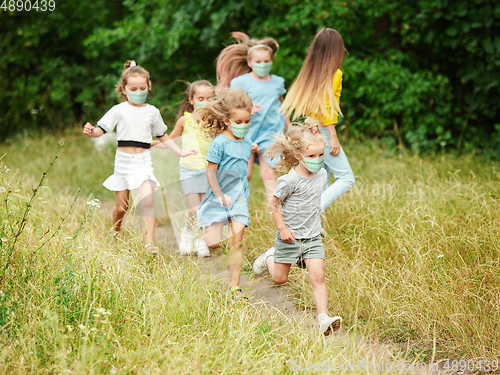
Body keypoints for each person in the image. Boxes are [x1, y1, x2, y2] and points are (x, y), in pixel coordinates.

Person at [83, 60, 197, 253]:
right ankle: (116, 230)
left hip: (143, 162)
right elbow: (100, 130)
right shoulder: (118, 110)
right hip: (123, 163)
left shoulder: (152, 112)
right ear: (124, 89)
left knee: (148, 200)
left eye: (142, 88)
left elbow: (163, 136)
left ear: (148, 87)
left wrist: (179, 152)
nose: (138, 91)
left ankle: (149, 243)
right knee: (122, 207)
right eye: (133, 88)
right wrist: (91, 131)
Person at [253, 120, 342, 335]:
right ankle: (269, 258)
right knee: (279, 279)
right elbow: (274, 204)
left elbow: (312, 203)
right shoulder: (288, 181)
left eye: (321, 155)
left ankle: (323, 318)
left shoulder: (322, 175)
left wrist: (314, 225)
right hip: (289, 238)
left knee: (318, 277)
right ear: (299, 156)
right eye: (312, 156)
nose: (318, 160)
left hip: (312, 238)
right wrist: (282, 229)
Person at [280, 28, 355, 213]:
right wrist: (333, 135)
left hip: (313, 128)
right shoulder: (334, 74)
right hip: (324, 131)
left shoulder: (312, 72)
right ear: (337, 49)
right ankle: (314, 210)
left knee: (323, 178)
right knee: (346, 178)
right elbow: (327, 107)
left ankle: (313, 226)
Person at [216, 32, 290, 207]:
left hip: (271, 135)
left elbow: (282, 106)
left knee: (271, 175)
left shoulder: (278, 82)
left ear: (272, 62)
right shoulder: (239, 82)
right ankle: (231, 208)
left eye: (266, 61)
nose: (262, 65)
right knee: (245, 174)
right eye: (258, 62)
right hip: (245, 135)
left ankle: (275, 217)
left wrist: (290, 127)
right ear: (249, 63)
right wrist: (247, 108)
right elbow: (230, 107)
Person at [194, 88, 253, 297]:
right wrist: (219, 194)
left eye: (247, 122)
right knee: (214, 242)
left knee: (236, 243)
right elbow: (210, 171)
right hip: (218, 196)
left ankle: (234, 287)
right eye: (239, 122)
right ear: (227, 120)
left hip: (239, 198)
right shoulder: (219, 143)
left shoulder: (246, 142)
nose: (244, 126)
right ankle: (203, 231)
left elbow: (246, 163)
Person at [153, 80, 214, 257]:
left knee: (203, 208)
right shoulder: (184, 120)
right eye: (201, 98)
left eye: (210, 98)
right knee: (195, 208)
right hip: (189, 170)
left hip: (209, 171)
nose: (206, 102)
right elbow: (171, 141)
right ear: (192, 100)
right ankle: (188, 234)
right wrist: (151, 143)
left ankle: (201, 239)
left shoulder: (215, 121)